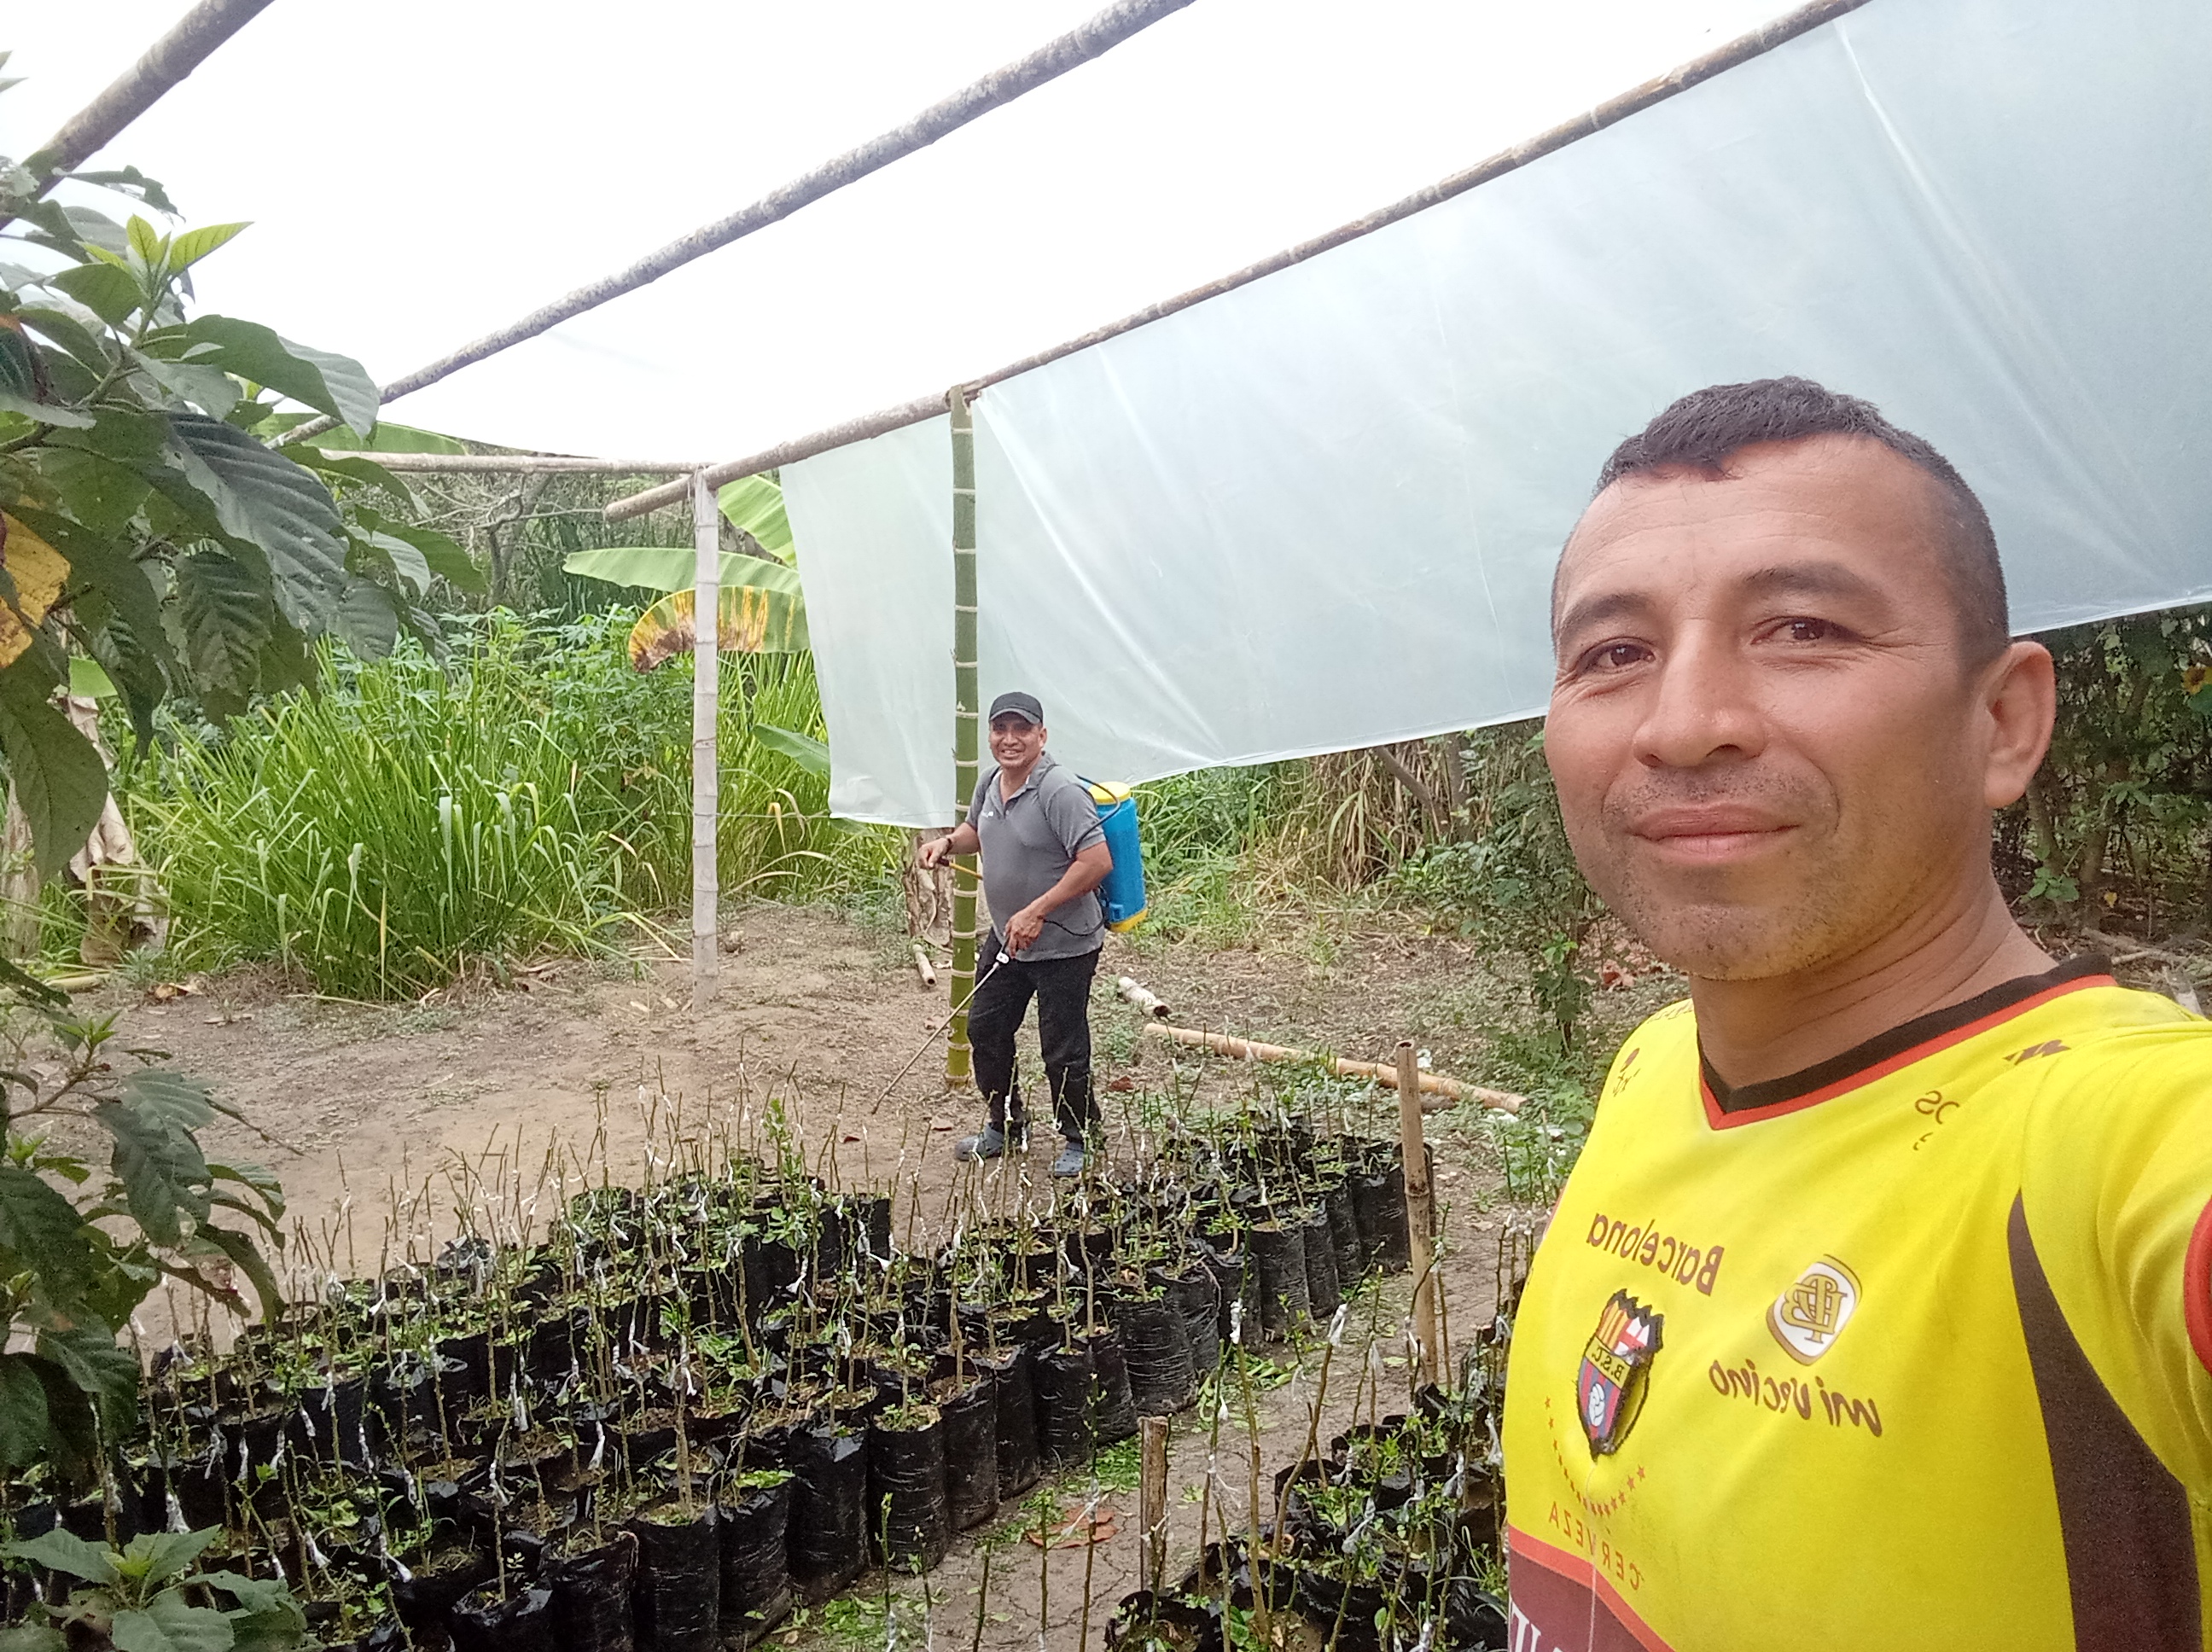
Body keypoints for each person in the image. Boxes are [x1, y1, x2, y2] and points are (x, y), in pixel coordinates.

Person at [1503, 377, 2212, 1648]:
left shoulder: (2104, 1148)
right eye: (1614, 654)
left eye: (1803, 629)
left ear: (2003, 722)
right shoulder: (1656, 1065)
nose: (1684, 725)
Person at [917, 690, 1114, 1178]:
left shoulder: (1060, 791)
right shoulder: (990, 782)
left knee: (1062, 1046)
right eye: (1000, 729)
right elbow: (977, 831)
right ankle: (1006, 1126)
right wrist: (948, 843)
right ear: (990, 734)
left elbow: (1096, 862)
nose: (1009, 739)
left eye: (1021, 729)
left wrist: (1037, 910)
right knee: (985, 1028)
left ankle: (1081, 1137)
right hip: (1010, 938)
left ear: (1041, 736)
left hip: (1064, 942)